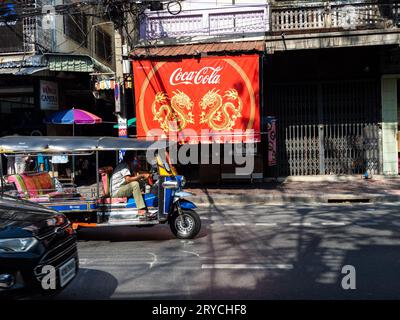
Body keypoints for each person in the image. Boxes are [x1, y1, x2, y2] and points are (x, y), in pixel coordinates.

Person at [110, 151, 151, 217]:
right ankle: (141, 209)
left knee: (140, 182)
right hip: (116, 191)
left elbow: (135, 173)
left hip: (121, 188)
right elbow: (128, 179)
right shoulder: (124, 166)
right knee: (134, 184)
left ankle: (140, 196)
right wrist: (141, 175)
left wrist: (142, 174)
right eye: (134, 158)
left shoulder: (127, 165)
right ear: (132, 159)